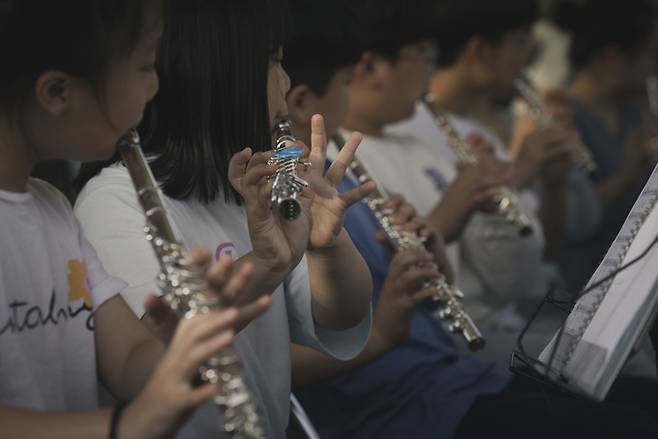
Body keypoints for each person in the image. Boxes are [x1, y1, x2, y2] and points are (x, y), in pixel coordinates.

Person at [284, 1, 658, 438]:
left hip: (447, 372)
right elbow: (328, 329)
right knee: (630, 420)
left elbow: (509, 272)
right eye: (422, 55)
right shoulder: (316, 178)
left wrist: (436, 249)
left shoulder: (374, 159)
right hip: (402, 401)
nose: (431, 71)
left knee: (638, 404)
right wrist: (446, 221)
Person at [74, 0, 374, 437]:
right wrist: (267, 263)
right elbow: (149, 357)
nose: (287, 81)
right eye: (273, 61)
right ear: (216, 76)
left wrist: (326, 245)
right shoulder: (114, 201)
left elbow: (340, 316)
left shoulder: (247, 184)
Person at [0, 1, 267, 438]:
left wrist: (188, 342)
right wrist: (128, 426)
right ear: (56, 93)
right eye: (145, 66)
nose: (154, 86)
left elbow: (128, 363)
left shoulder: (51, 208)